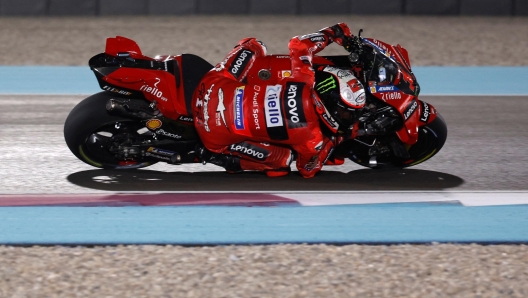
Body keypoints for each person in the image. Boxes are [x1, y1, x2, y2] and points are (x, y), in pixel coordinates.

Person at [192, 23, 366, 178]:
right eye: (345, 112)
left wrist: (332, 33)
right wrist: (337, 140)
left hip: (209, 88)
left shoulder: (304, 78)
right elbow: (307, 170)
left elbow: (298, 44)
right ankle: (220, 157)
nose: (348, 117)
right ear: (326, 104)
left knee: (255, 45)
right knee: (281, 163)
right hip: (212, 135)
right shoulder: (312, 140)